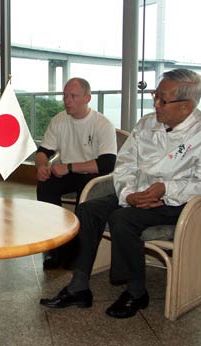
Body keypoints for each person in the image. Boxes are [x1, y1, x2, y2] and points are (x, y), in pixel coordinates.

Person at [39, 69, 201, 319]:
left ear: (186, 107)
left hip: (179, 204)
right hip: (135, 193)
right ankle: (79, 286)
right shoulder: (147, 124)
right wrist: (129, 194)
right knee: (88, 210)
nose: (156, 104)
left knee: (123, 219)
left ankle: (137, 291)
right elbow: (125, 164)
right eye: (155, 95)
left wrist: (166, 189)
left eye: (163, 99)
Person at [35, 77, 117, 269]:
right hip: (69, 172)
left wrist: (69, 166)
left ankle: (77, 251)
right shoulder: (59, 120)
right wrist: (41, 167)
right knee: (46, 186)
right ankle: (55, 247)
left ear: (87, 98)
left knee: (86, 190)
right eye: (65, 95)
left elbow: (106, 164)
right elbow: (43, 152)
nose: (67, 100)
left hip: (95, 175)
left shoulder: (102, 124)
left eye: (73, 96)